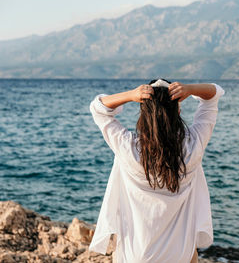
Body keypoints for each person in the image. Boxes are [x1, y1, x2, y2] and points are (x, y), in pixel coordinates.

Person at [88, 79, 225, 263]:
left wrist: (131, 95)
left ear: (143, 114)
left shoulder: (129, 148)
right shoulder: (193, 146)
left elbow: (98, 109)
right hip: (179, 256)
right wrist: (190, 89)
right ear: (178, 111)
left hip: (136, 256)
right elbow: (213, 95)